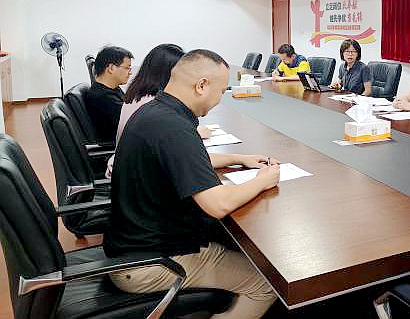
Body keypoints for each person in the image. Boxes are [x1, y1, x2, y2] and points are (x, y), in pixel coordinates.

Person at [104, 49, 280, 319]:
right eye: (220, 92)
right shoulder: (173, 127)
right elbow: (218, 205)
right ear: (201, 86)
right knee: (267, 283)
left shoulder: (157, 112)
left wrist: (238, 158)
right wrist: (262, 180)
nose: (220, 100)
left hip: (132, 247)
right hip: (151, 263)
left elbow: (182, 159)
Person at [106, 43, 212, 177]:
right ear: (169, 73)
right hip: (141, 173)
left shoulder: (139, 93)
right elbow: (174, 144)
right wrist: (194, 133)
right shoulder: (154, 105)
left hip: (130, 167)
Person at [85, 45, 134, 142]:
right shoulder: (102, 97)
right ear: (111, 68)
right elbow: (132, 119)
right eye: (127, 68)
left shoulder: (111, 88)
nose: (130, 73)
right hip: (120, 145)